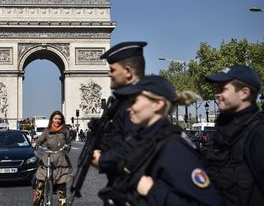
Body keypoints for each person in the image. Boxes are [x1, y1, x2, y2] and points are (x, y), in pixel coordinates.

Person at [99, 75, 223, 206]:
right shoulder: (145, 140)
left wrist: (152, 191)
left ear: (157, 104)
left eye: (134, 101)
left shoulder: (174, 147)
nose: (128, 108)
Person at [203, 65, 264, 205]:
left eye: (223, 89)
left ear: (244, 93)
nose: (217, 94)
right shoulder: (223, 128)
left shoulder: (258, 132)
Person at [91, 41, 147, 186]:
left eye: (112, 70)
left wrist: (102, 160)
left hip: (133, 186)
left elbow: (135, 146)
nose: (108, 74)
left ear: (128, 71)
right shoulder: (121, 101)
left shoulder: (136, 102)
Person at [32, 110, 72, 206]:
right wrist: (35, 144)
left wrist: (67, 147)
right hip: (48, 159)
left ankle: (62, 204)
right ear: (52, 120)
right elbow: (40, 140)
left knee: (62, 187)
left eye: (59, 119)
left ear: (62, 120)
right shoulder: (47, 131)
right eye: (55, 118)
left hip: (61, 160)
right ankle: (36, 203)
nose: (57, 121)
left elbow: (68, 142)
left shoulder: (65, 131)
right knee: (40, 184)